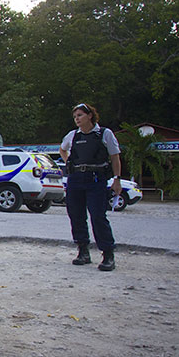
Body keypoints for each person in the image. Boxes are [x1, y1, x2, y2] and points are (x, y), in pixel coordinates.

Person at [59, 102, 121, 271]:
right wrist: (69, 163)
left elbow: (115, 157)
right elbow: (62, 149)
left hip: (96, 178)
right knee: (76, 215)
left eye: (79, 115)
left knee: (98, 216)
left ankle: (108, 254)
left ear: (90, 116)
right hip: (76, 178)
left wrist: (117, 179)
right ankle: (83, 251)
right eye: (74, 117)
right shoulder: (73, 136)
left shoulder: (104, 134)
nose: (77, 119)